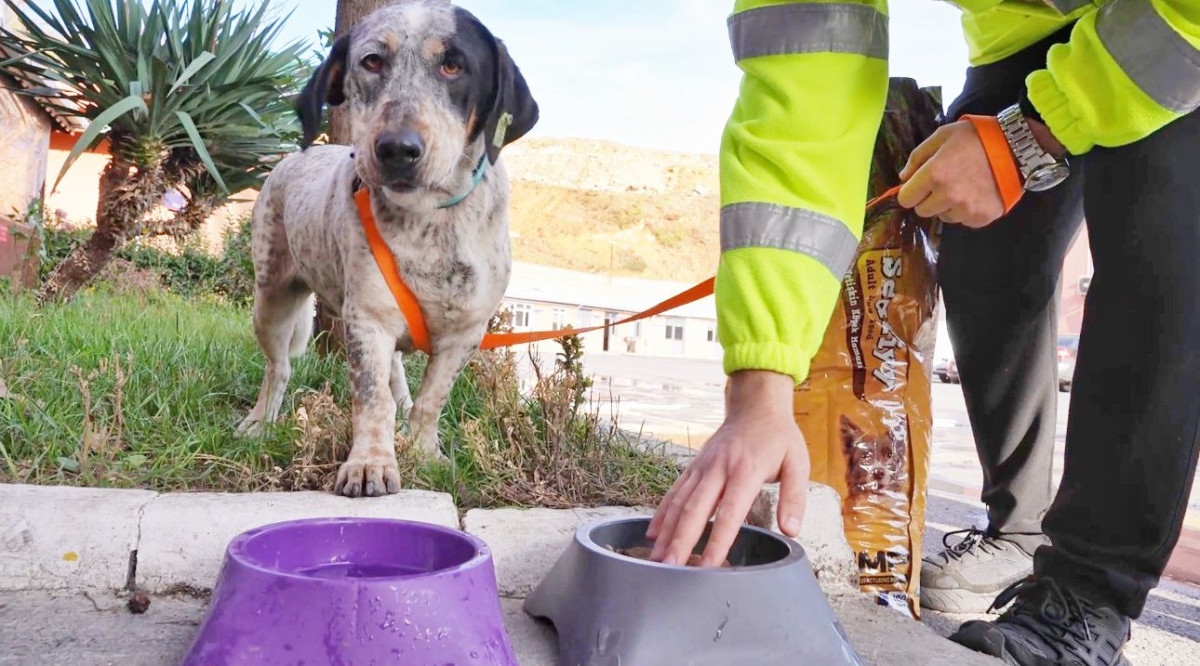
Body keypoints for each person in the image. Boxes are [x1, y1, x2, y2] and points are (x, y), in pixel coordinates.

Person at [646, 1, 1200, 664]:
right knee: (973, 230)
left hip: (1176, 26)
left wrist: (1033, 134)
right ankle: (1017, 530)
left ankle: (1090, 591)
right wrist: (760, 389)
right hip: (1029, 31)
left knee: (1164, 205)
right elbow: (803, 115)